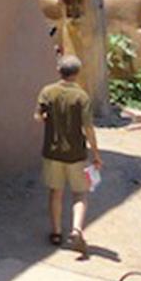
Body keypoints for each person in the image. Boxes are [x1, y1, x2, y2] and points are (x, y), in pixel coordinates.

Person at [35, 55, 102, 251]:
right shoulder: (82, 96)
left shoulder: (48, 91)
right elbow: (88, 128)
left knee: (56, 192)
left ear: (59, 70)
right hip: (76, 153)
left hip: (52, 151)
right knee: (79, 193)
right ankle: (76, 229)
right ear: (77, 73)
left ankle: (56, 232)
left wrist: (49, 117)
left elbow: (37, 117)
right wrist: (96, 154)